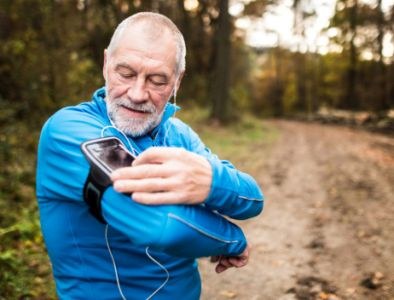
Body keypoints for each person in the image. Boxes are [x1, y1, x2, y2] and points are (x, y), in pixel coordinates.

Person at [36, 12, 264, 300]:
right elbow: (162, 225)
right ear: (106, 63)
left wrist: (210, 181)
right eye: (126, 73)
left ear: (177, 81)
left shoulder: (178, 133)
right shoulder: (70, 131)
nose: (137, 93)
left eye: (157, 80)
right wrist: (233, 241)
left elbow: (252, 199)